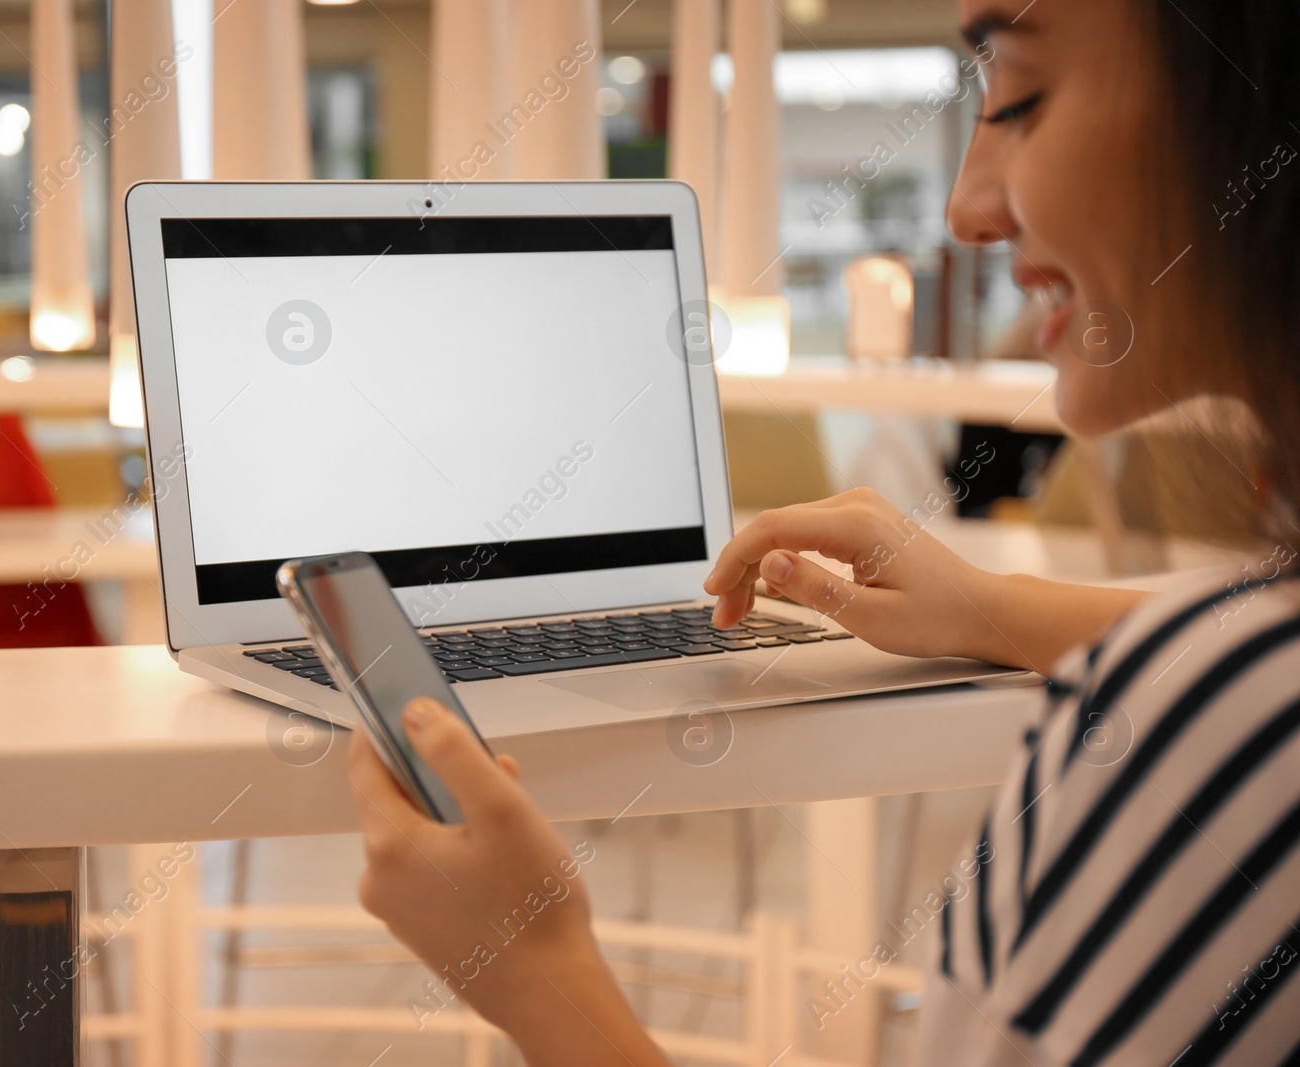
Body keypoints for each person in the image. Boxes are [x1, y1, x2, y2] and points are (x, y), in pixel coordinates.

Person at [345, 0, 1300, 1062]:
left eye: (1021, 99)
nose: (965, 209)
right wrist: (981, 606)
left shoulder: (1223, 742)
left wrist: (535, 973)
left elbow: (1240, 686)